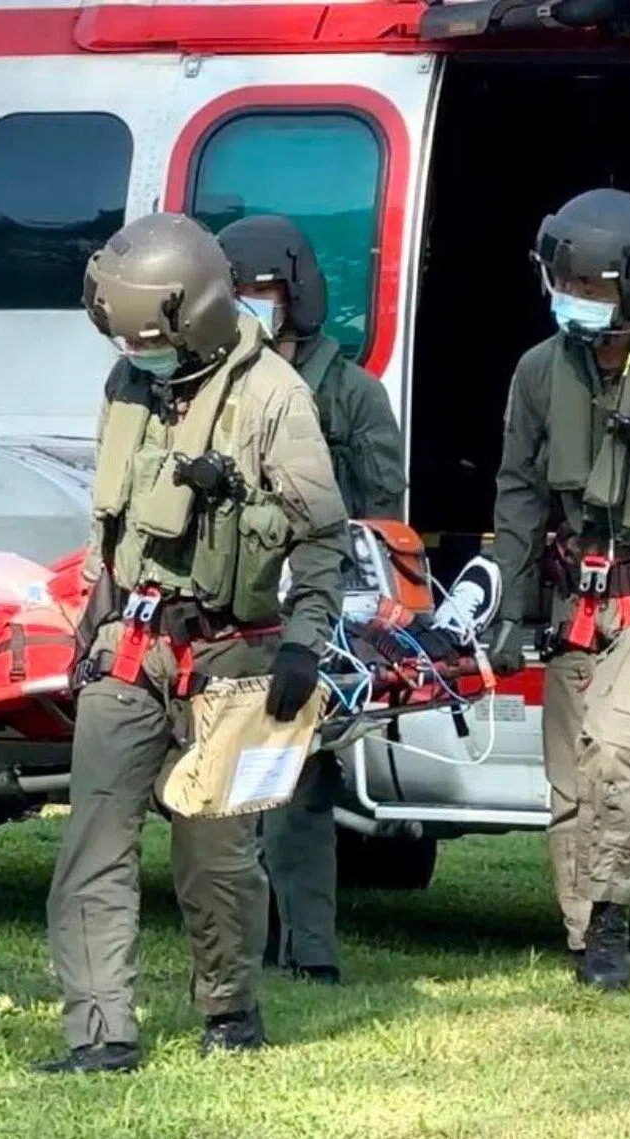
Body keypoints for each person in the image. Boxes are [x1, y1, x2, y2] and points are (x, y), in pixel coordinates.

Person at [37, 212, 349, 1074]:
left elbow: (321, 534)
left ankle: (229, 1011)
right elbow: (111, 520)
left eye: (151, 340)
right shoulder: (129, 381)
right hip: (132, 645)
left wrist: (305, 643)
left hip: (233, 653)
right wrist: (96, 618)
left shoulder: (275, 396)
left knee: (216, 857)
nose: (139, 355)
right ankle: (101, 1032)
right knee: (94, 842)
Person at [217, 213, 406, 984]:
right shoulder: (220, 392)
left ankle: (312, 951)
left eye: (260, 291)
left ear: (293, 295)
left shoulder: (354, 396)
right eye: (235, 293)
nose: (248, 305)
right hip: (239, 602)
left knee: (299, 786)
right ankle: (252, 940)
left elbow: (380, 512)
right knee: (236, 783)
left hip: (322, 602)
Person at [488, 188, 630, 989]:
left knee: (615, 750)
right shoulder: (539, 372)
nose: (573, 300)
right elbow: (517, 490)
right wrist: (509, 606)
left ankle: (611, 922)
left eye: (593, 287)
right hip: (574, 600)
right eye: (566, 283)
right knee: (572, 781)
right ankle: (588, 939)